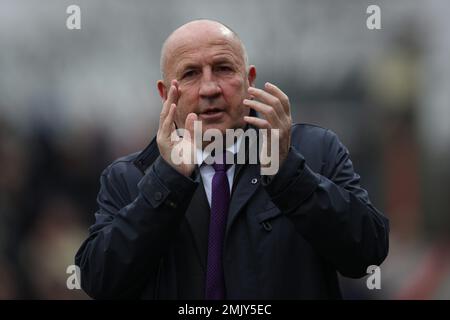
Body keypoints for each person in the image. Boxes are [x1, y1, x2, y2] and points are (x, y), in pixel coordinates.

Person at [75, 19, 389, 299]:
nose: (210, 88)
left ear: (248, 79)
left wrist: (289, 174)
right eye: (190, 74)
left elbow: (367, 254)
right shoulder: (130, 177)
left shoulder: (315, 150)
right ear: (165, 94)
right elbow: (100, 281)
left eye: (223, 69)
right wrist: (168, 181)